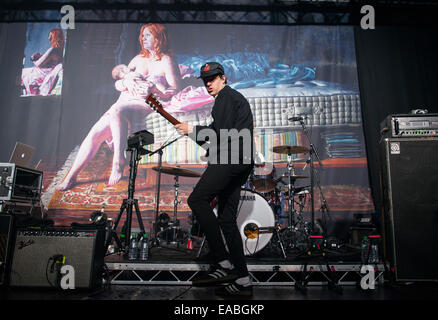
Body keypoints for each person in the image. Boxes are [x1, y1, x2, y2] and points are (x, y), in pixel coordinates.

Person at [57, 23, 181, 190]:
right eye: (142, 35)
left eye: (148, 35)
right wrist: (124, 81)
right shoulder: (137, 59)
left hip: (146, 102)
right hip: (124, 101)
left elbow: (175, 89)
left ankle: (118, 160)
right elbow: (117, 81)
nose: (143, 38)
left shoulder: (166, 60)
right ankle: (71, 176)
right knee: (94, 134)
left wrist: (154, 88)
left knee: (117, 109)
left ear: (159, 37)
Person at [175, 62, 255, 297]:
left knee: (197, 200)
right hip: (240, 160)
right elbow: (214, 137)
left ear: (224, 77)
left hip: (232, 158)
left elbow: (221, 134)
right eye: (205, 80)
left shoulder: (226, 98)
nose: (208, 83)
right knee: (227, 220)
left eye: (212, 78)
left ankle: (222, 261)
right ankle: (242, 279)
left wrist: (192, 128)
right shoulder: (227, 101)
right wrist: (191, 132)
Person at [21, 28, 65, 96]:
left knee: (23, 73)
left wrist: (36, 58)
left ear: (54, 38)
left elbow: (39, 64)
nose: (48, 38)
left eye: (50, 37)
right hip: (48, 72)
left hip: (44, 73)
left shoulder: (53, 50)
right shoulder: (61, 51)